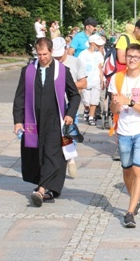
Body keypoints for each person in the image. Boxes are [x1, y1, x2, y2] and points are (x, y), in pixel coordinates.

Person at [12, 37, 81, 206]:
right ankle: (49, 188)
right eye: (39, 54)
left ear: (51, 52)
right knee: (36, 155)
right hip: (33, 121)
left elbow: (75, 95)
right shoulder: (27, 71)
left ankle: (41, 190)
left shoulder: (62, 71)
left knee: (52, 154)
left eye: (45, 54)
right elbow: (19, 97)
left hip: (55, 120)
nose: (42, 57)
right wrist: (18, 121)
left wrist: (70, 114)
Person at [109, 43, 140, 228]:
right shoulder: (117, 78)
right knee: (127, 170)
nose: (131, 60)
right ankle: (135, 199)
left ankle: (129, 212)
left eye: (136, 57)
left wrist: (129, 102)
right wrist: (116, 103)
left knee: (138, 170)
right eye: (129, 56)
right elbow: (113, 109)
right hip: (123, 130)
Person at [52, 37, 87, 179]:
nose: (58, 60)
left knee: (68, 133)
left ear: (66, 50)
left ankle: (71, 159)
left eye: (60, 57)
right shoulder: (49, 63)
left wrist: (66, 83)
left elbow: (83, 83)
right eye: (55, 57)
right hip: (53, 104)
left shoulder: (75, 62)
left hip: (69, 104)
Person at [78, 35, 106, 126]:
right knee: (86, 101)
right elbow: (79, 67)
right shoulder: (83, 54)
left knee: (94, 100)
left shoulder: (98, 54)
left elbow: (100, 68)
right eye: (98, 44)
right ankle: (86, 109)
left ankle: (91, 116)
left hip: (96, 80)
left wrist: (102, 80)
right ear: (92, 44)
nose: (100, 46)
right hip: (86, 80)